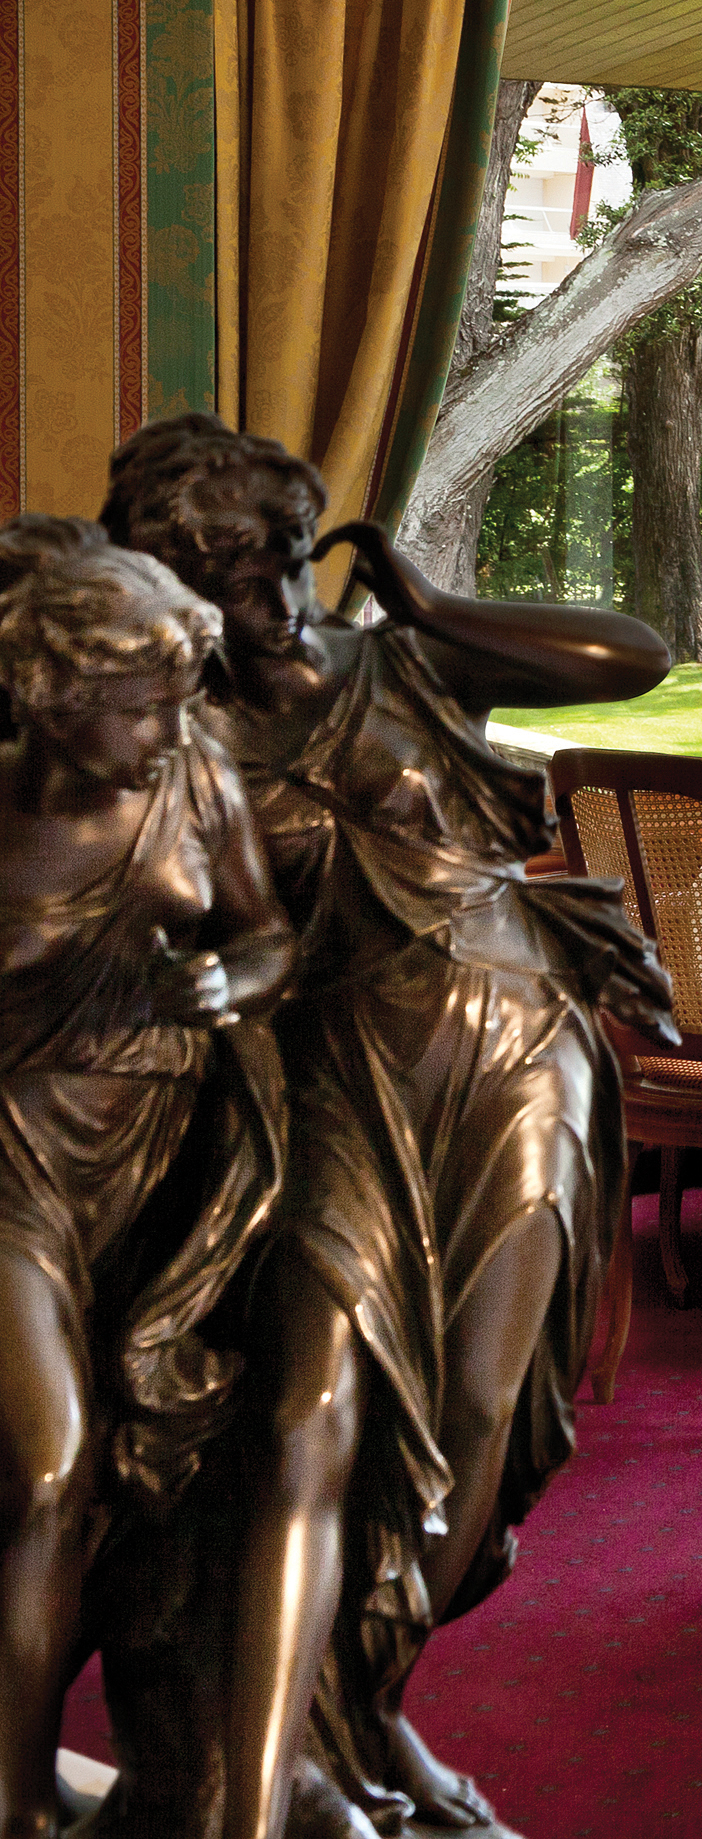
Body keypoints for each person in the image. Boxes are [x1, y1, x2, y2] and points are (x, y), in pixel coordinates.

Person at [96, 418, 671, 1839]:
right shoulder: (180, 738)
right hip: (343, 1077)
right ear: (169, 584)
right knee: (313, 1409)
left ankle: (369, 1713)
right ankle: (255, 1780)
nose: (272, 604)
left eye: (286, 563)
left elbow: (630, 654)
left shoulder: (400, 659)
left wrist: (423, 599)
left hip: (526, 1054)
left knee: (478, 1416)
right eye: (231, 577)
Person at [0, 522, 287, 1839]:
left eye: (182, 703)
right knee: (56, 1472)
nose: (170, 734)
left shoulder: (198, 782)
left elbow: (265, 935)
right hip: (19, 1173)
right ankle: (18, 1802)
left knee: (132, 1474)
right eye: (140, 710)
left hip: (171, 1178)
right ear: (53, 702)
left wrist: (236, 979)